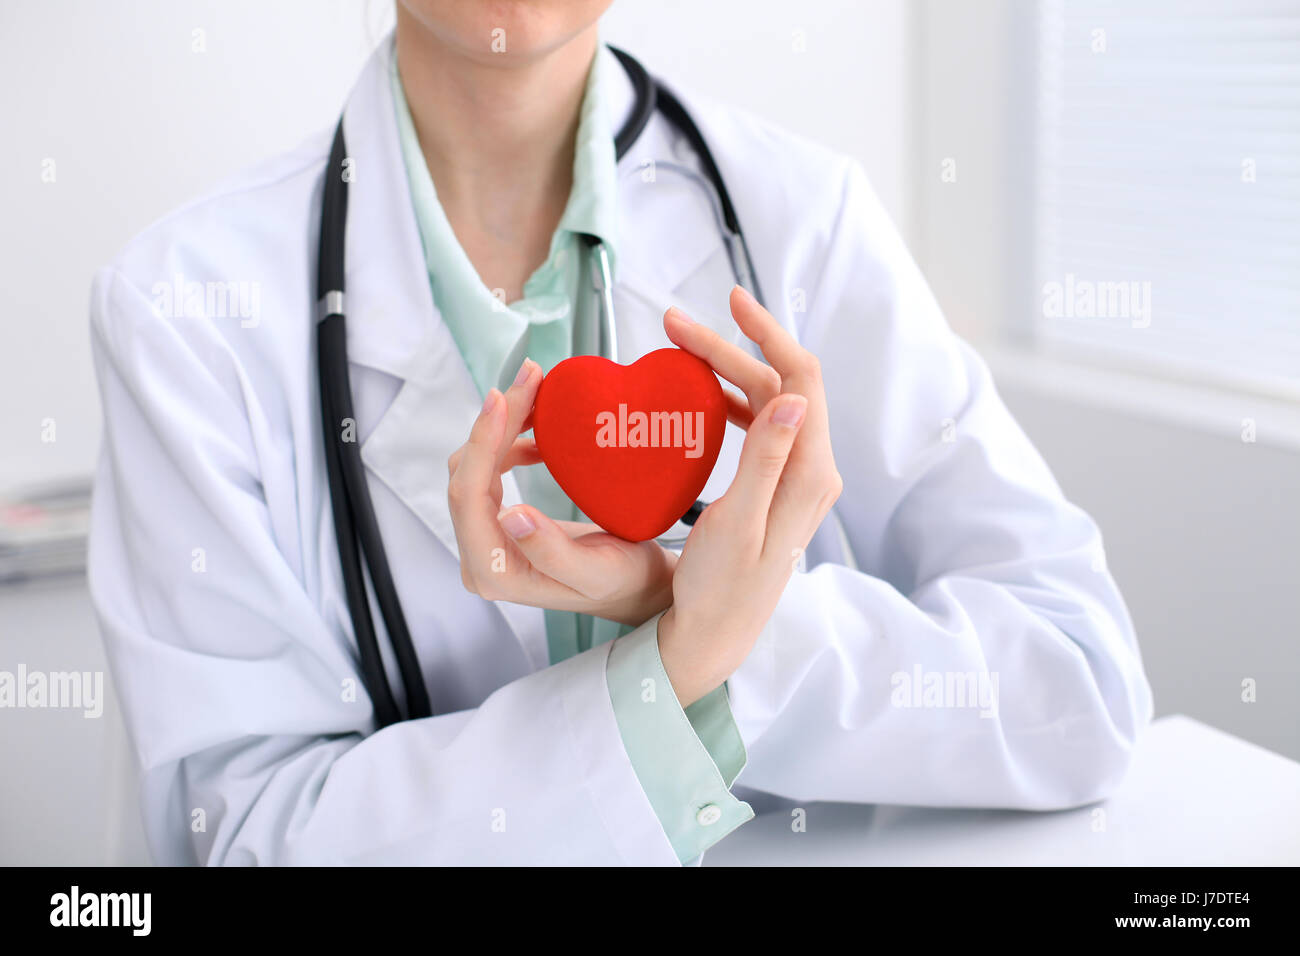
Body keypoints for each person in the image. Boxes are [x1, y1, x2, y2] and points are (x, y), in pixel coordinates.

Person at [87, 0, 1152, 865]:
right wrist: (675, 664)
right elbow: (233, 836)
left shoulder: (803, 217)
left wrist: (735, 637)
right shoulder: (185, 314)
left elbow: (1077, 684)